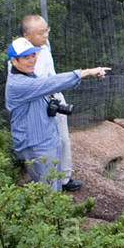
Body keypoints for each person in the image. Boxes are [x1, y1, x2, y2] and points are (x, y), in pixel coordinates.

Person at [5, 36, 108, 191]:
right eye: (26, 57)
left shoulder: (27, 75)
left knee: (55, 184)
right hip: (36, 144)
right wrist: (85, 72)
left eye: (33, 55)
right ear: (14, 61)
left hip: (46, 139)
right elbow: (50, 83)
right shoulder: (19, 84)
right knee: (49, 190)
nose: (32, 60)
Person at [15, 14, 74, 186]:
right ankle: (49, 183)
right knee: (46, 144)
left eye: (46, 30)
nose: (45, 35)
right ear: (27, 35)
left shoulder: (44, 45)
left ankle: (65, 178)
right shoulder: (20, 56)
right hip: (39, 103)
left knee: (63, 139)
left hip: (55, 97)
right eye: (40, 33)